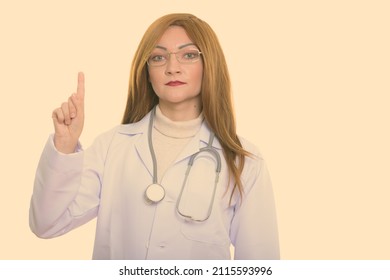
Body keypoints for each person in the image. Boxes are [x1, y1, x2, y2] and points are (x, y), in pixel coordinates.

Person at [29, 13, 280, 260]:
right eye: (158, 57)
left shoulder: (243, 160)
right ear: (146, 71)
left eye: (189, 55)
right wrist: (64, 145)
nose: (172, 68)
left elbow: (260, 264)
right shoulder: (112, 146)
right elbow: (46, 224)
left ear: (209, 65)